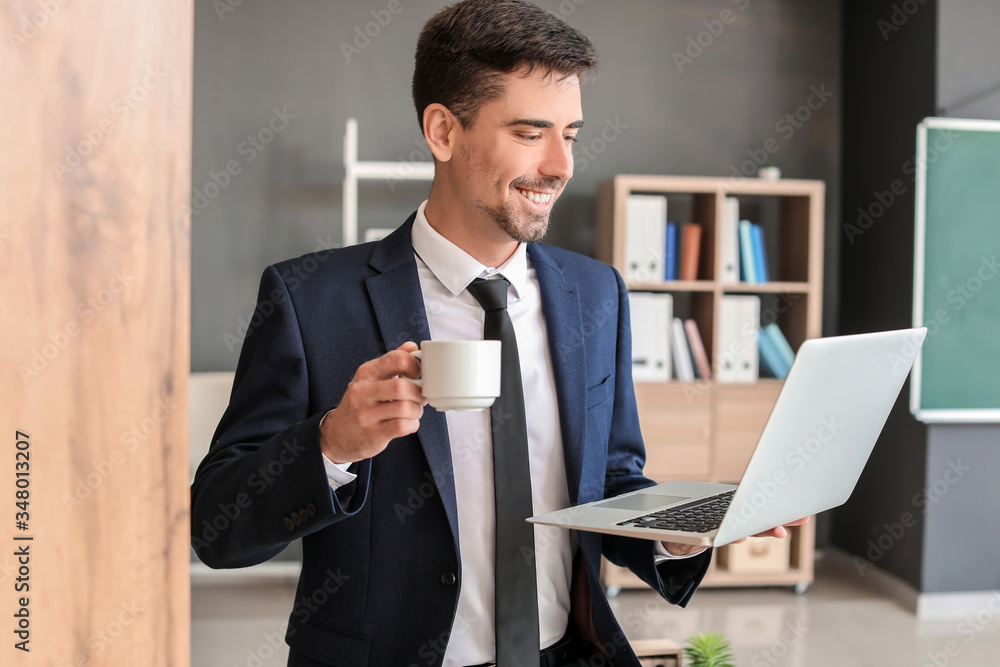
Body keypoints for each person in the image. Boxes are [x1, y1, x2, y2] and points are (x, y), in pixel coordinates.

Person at [190, 1, 805, 665]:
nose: (561, 164)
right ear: (443, 131)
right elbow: (219, 529)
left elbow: (610, 479)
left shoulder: (595, 291)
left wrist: (682, 527)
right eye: (530, 131)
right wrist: (334, 442)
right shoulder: (311, 299)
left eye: (570, 133)